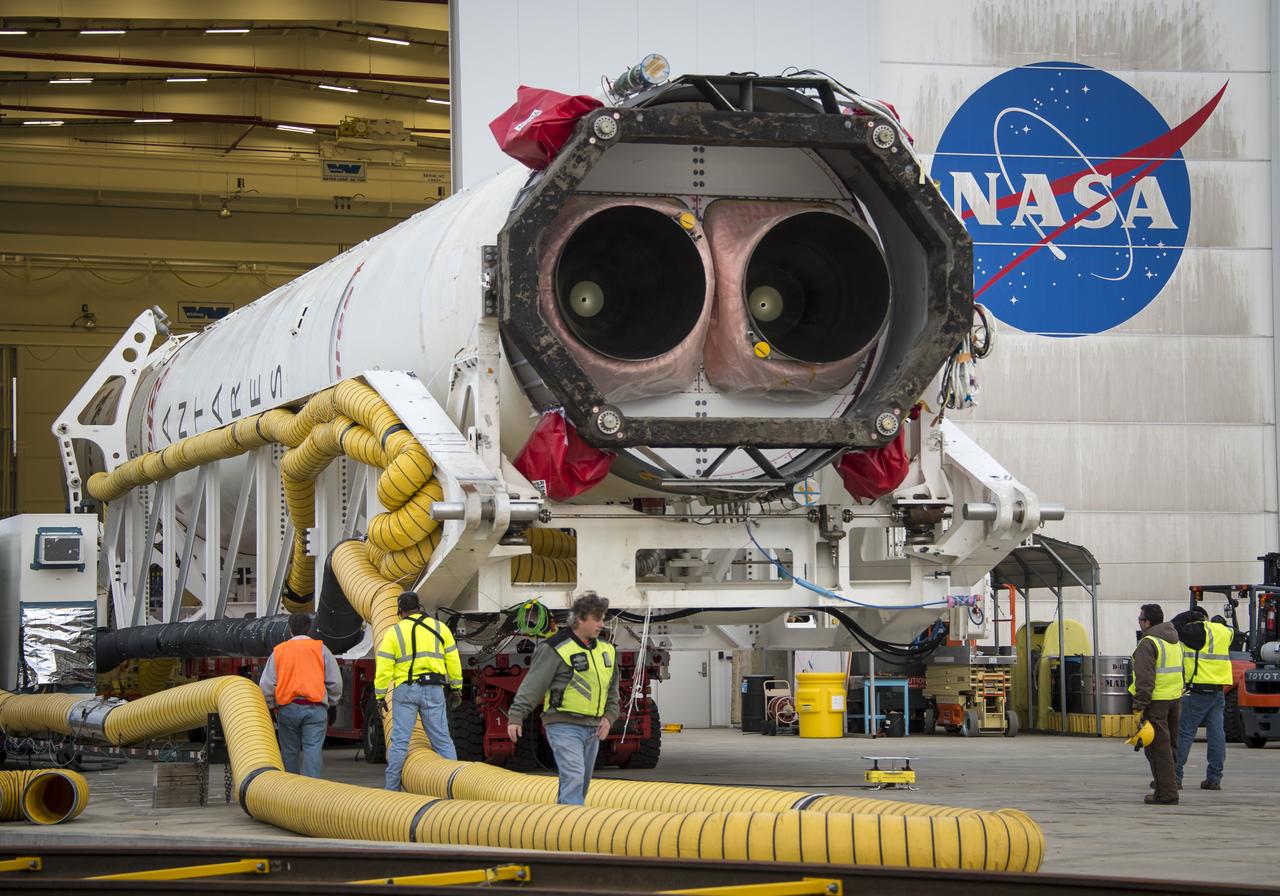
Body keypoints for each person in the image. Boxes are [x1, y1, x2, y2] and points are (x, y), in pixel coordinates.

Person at [506, 592, 620, 805]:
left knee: (581, 782)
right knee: (574, 776)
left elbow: (612, 690)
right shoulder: (555, 648)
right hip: (563, 725)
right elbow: (533, 685)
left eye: (603, 618)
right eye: (597, 619)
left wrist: (610, 716)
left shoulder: (607, 651)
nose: (601, 624)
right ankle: (573, 833)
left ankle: (560, 827)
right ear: (580, 618)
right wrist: (516, 716)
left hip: (594, 728)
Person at [375, 592, 463, 791]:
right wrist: (457, 689)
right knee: (442, 740)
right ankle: (453, 788)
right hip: (434, 689)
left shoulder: (394, 632)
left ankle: (391, 791)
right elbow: (453, 662)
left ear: (400, 611)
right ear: (419, 606)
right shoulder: (440, 629)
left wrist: (380, 696)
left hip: (405, 691)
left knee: (399, 741)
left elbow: (383, 669)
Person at [259, 612, 342, 778]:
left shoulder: (279, 651)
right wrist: (332, 702)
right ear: (309, 628)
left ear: (290, 629)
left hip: (287, 709)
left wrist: (270, 705)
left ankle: (292, 792)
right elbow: (335, 682)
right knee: (313, 749)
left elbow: (266, 684)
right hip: (315, 708)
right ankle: (311, 792)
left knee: (289, 751)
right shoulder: (322, 649)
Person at [1172, 606, 1234, 790]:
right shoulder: (1225, 632)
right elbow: (1232, 632)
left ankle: (1175, 776)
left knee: (1184, 734)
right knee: (1216, 735)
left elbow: (1174, 625)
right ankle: (1214, 778)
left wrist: (1191, 615)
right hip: (1218, 692)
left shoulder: (1197, 631)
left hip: (1197, 691)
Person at [1128, 603, 1183, 805]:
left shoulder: (1148, 643)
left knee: (1158, 749)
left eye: (1140, 620)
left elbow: (1145, 678)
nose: (1140, 623)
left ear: (1148, 622)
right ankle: (1167, 787)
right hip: (1174, 699)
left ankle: (1166, 793)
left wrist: (1139, 705)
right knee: (1170, 747)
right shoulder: (1174, 640)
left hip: (1156, 702)